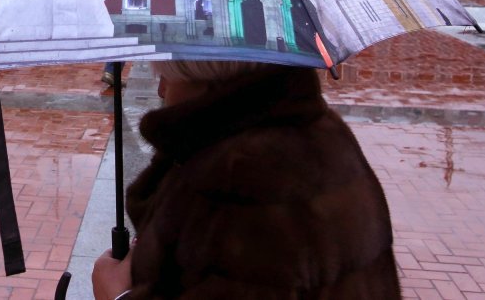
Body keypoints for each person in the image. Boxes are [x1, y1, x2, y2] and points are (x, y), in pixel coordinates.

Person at [92, 60, 400, 299]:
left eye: (167, 76)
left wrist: (117, 295)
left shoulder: (235, 179)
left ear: (198, 73)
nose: (161, 90)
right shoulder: (323, 132)